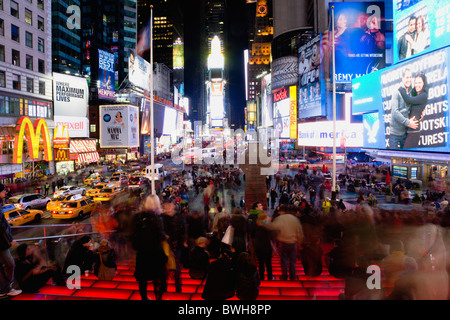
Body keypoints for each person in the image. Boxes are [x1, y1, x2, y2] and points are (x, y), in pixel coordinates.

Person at [131, 195, 167, 300]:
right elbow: (161, 236)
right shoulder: (157, 218)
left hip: (142, 253)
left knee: (142, 279)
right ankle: (158, 297)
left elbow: (133, 235)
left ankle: (144, 298)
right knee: (158, 278)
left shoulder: (137, 217)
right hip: (155, 252)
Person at [268, 205, 303, 280]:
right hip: (293, 242)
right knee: (292, 261)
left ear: (281, 211)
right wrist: (299, 244)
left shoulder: (279, 219)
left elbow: (272, 227)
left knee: (284, 260)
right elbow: (299, 232)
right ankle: (292, 276)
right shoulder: (294, 219)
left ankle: (284, 275)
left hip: (283, 242)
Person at [0, 183, 22, 297]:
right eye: (3, 191)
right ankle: (6, 288)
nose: (5, 193)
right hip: (1, 242)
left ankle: (4, 289)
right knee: (10, 263)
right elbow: (0, 225)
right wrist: (10, 239)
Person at [389, 68, 419, 149]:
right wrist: (408, 122)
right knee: (394, 160)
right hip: (395, 134)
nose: (409, 79)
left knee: (406, 160)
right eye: (407, 77)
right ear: (402, 78)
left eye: (410, 77)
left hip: (405, 134)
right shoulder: (397, 91)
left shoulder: (411, 92)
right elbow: (395, 112)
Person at [161, 199, 187, 293]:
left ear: (173, 206)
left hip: (177, 245)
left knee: (177, 268)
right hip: (165, 246)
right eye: (166, 205)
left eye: (169, 205)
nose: (168, 207)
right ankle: (164, 288)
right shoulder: (162, 218)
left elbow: (183, 231)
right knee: (164, 267)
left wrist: (183, 241)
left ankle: (178, 288)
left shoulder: (179, 217)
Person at [398, 72, 428, 149]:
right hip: (408, 130)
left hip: (414, 132)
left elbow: (408, 100)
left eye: (419, 83)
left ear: (424, 83)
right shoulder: (416, 94)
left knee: (406, 157)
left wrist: (401, 89)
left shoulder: (423, 95)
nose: (417, 85)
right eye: (416, 83)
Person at [253, 211, 274, 281]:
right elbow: (271, 236)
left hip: (258, 246)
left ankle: (261, 277)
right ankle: (270, 277)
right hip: (267, 246)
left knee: (261, 262)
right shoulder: (267, 226)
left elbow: (253, 235)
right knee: (268, 263)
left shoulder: (256, 225)